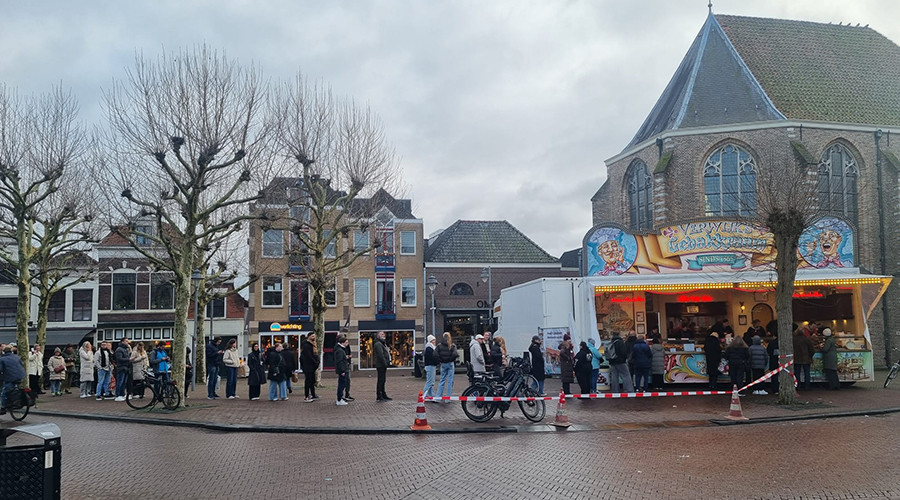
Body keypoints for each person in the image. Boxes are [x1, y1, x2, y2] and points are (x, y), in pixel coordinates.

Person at [0, 345, 26, 415]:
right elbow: (22, 364)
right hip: (21, 376)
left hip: (10, 378)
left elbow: (1, 369)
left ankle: (2, 408)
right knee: (15, 388)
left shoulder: (2, 359)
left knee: (3, 392)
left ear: (3, 352)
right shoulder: (16, 357)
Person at [435, 332, 458, 403]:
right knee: (450, 381)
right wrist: (450, 360)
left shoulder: (439, 345)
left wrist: (440, 360)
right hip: (450, 364)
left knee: (442, 380)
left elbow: (435, 354)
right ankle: (448, 398)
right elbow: (455, 354)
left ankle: (438, 397)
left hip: (443, 364)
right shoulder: (452, 346)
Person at [299, 334, 319, 402]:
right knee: (308, 381)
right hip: (308, 366)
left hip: (312, 366)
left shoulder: (313, 344)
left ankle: (313, 394)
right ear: (309, 336)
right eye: (312, 336)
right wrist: (315, 362)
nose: (314, 337)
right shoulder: (306, 345)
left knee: (312, 380)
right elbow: (308, 356)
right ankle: (306, 396)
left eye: (314, 336)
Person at [373, 331, 392, 401]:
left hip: (382, 364)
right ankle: (379, 395)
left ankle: (383, 394)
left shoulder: (382, 343)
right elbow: (380, 355)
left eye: (384, 334)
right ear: (378, 336)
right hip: (381, 365)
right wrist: (385, 363)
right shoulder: (378, 344)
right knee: (381, 380)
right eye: (381, 334)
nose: (383, 335)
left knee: (383, 380)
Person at [334, 335, 351, 405]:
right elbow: (340, 361)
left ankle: (340, 398)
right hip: (343, 370)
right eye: (346, 342)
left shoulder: (339, 349)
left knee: (342, 384)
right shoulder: (340, 350)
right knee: (341, 384)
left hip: (343, 369)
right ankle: (339, 399)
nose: (347, 344)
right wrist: (343, 370)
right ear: (342, 342)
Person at [422, 334, 438, 399]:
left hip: (431, 366)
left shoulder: (429, 348)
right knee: (430, 381)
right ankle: (424, 394)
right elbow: (432, 357)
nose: (434, 341)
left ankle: (431, 394)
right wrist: (437, 361)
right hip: (430, 366)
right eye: (433, 340)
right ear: (430, 341)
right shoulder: (429, 348)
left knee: (431, 381)